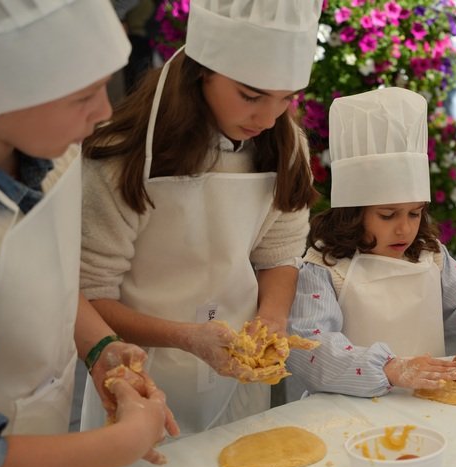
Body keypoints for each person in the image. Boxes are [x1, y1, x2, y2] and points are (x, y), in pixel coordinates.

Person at [79, 0, 322, 435]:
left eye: (286, 98)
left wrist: (271, 319)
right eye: (250, 95)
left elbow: (278, 255)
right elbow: (90, 298)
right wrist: (188, 337)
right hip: (138, 376)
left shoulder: (285, 148)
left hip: (238, 382)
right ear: (202, 70)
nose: (268, 119)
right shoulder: (122, 159)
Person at [0, 0, 176, 467]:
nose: (105, 112)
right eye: (82, 96)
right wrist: (126, 440)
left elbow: (44, 276)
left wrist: (99, 347)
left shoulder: (49, 146)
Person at [286, 87, 456, 399]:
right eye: (388, 215)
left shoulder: (429, 259)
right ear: (352, 214)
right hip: (347, 416)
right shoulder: (323, 269)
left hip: (427, 406)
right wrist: (390, 368)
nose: (405, 229)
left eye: (415, 213)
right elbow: (310, 348)